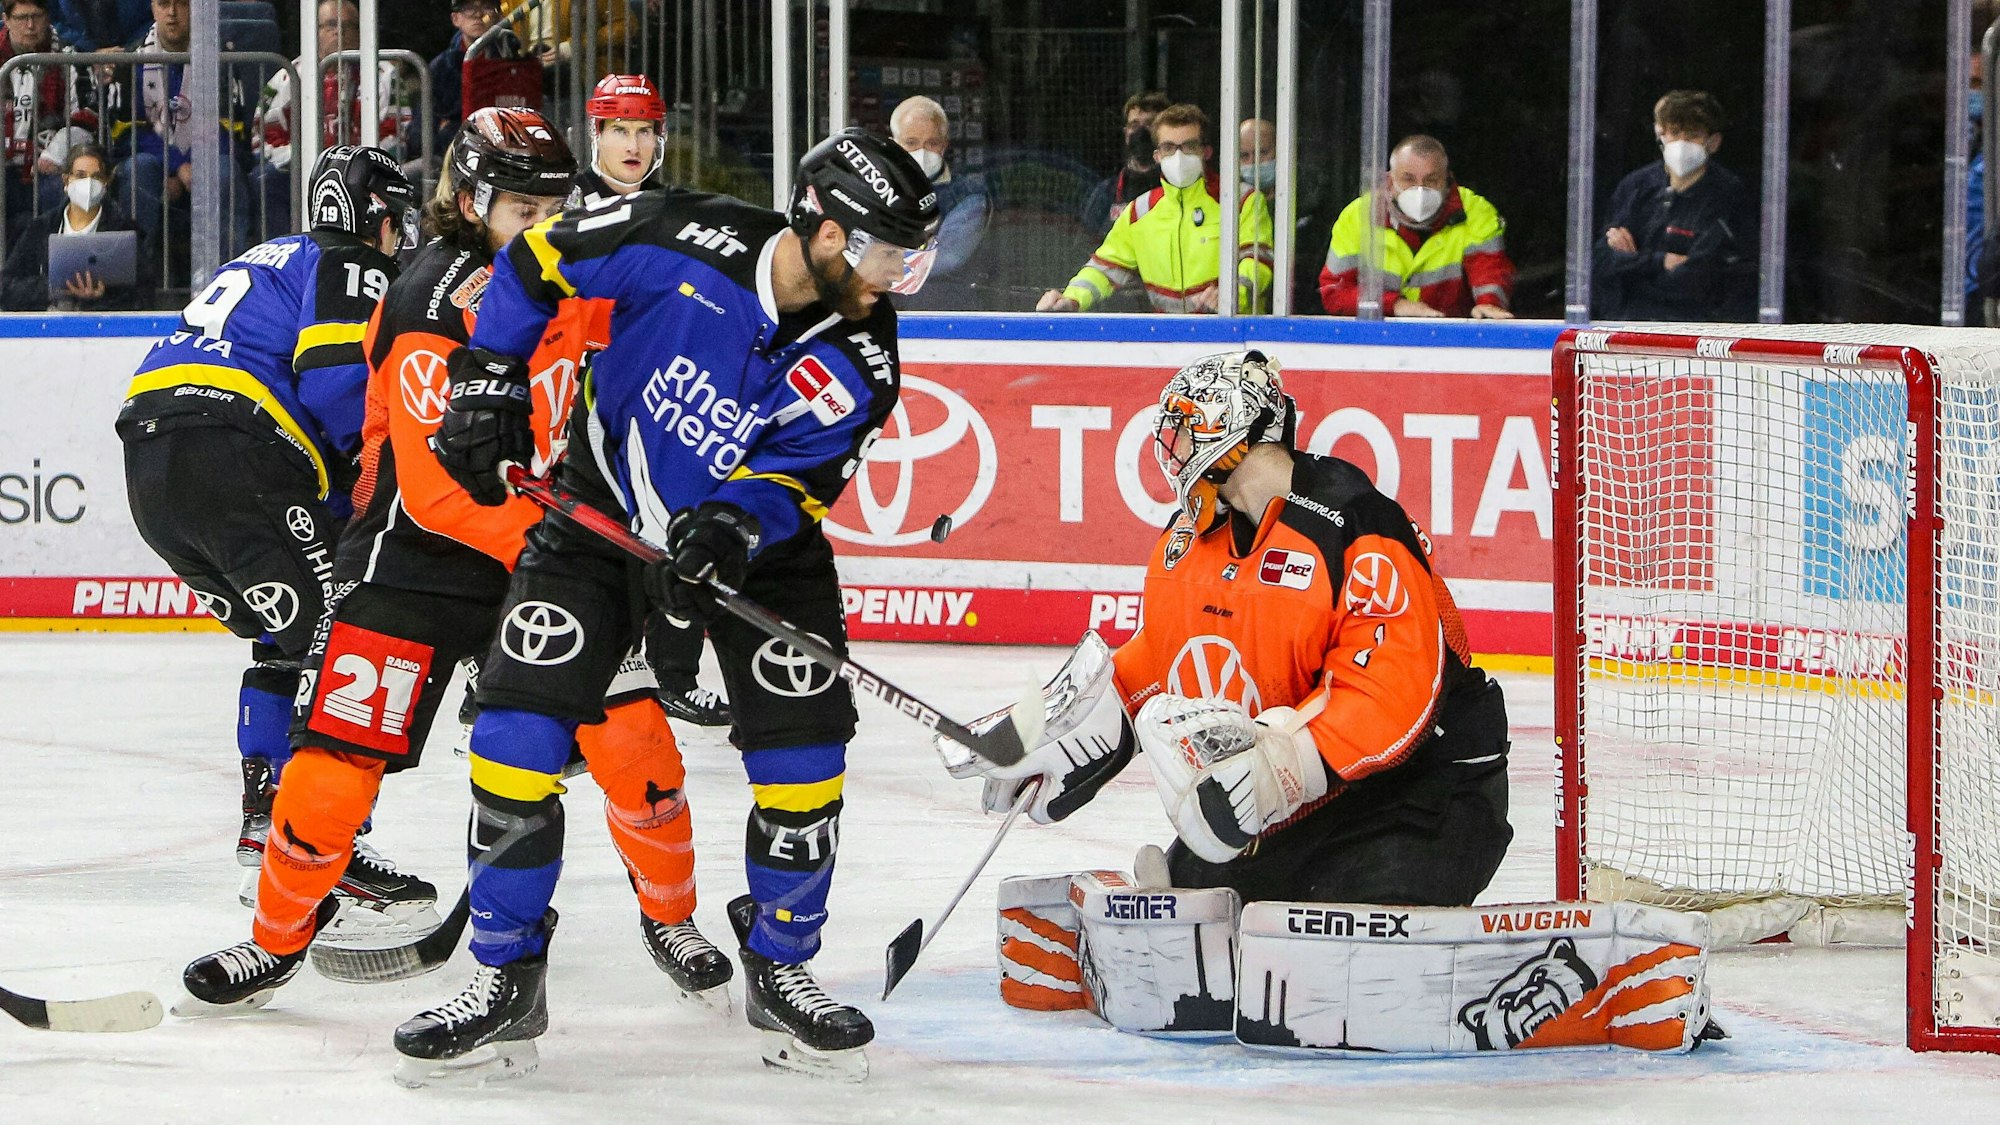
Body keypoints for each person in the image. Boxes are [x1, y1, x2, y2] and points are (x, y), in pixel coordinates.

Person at [389, 126, 939, 1084]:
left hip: (760, 556)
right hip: (598, 516)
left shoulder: (868, 351)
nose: (894, 274)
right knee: (514, 732)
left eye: (907, 255)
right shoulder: (675, 232)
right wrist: (489, 376)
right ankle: (504, 974)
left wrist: (732, 523)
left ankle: (782, 960)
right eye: (882, 250)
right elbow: (533, 261)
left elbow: (799, 475)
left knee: (804, 750)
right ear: (820, 225)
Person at [177, 108, 735, 1031]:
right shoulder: (428, 297)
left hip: (543, 550)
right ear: (471, 201)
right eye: (523, 205)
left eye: (554, 203)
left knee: (638, 750)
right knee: (332, 766)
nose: (544, 220)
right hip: (415, 561)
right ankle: (277, 939)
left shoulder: (561, 273)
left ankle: (672, 917)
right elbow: (440, 494)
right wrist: (580, 554)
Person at [961, 348, 1514, 907]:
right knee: (1198, 904)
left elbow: (1391, 689)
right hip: (1305, 802)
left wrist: (1284, 765)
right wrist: (1059, 726)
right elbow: (1160, 656)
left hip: (1421, 790)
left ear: (1234, 433)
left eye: (1184, 429)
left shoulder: (1356, 524)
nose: (1169, 449)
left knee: (1337, 933)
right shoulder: (1192, 540)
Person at [116, 145, 422, 912]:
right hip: (237, 452)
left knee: (285, 638)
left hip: (153, 468)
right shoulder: (353, 261)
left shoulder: (266, 253)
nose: (399, 238)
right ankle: (328, 841)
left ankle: (266, 819)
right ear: (374, 217)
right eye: (396, 221)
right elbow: (341, 390)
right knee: (346, 639)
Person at [563, 72, 733, 727]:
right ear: (596, 135)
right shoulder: (564, 209)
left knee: (674, 529)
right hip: (579, 399)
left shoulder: (672, 212)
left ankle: (672, 675)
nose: (633, 144)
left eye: (644, 130)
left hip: (659, 397)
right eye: (619, 130)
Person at [1038, 103, 1274, 315]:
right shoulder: (1140, 211)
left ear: (1206, 151)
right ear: (1157, 155)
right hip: (1166, 342)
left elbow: (1258, 260)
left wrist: (1234, 293)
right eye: (1169, 147)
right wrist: (1071, 299)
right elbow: (1104, 269)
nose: (1179, 156)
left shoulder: (1241, 201)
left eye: (1189, 146)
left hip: (1231, 336)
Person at [107, 0, 255, 271]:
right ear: (152, 8)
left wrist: (196, 165)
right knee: (139, 169)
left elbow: (230, 129)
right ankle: (140, 279)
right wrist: (176, 166)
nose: (172, 13)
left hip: (208, 162)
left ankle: (228, 279)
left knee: (222, 171)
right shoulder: (131, 60)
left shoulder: (221, 59)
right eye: (164, 4)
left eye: (182, 4)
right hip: (154, 167)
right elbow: (127, 133)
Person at [1593, 89, 1756, 322]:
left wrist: (1633, 263)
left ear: (1714, 142)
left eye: (1693, 135)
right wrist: (1661, 261)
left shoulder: (1728, 195)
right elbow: (1602, 261)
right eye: (1674, 133)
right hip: (1627, 326)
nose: (1681, 143)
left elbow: (1703, 278)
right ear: (1660, 134)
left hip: (1694, 333)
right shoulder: (1636, 187)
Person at [250, 0, 411, 234]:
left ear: (360, 31)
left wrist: (358, 165)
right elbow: (263, 137)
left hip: (367, 177)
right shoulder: (289, 77)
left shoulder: (385, 75)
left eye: (348, 25)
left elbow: (396, 133)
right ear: (314, 31)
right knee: (265, 181)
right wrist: (308, 163)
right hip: (302, 176)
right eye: (330, 25)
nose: (339, 31)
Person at [1319, 134, 1514, 318]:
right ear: (1390, 180)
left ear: (1447, 180)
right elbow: (1334, 291)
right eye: (1408, 179)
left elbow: (1490, 271)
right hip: (1377, 341)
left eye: (1431, 180)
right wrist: (1395, 305)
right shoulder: (1358, 216)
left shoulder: (1475, 211)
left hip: (1449, 340)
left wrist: (1489, 304)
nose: (1420, 190)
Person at [0, 141, 153, 309]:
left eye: (96, 176)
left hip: (104, 331)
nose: (88, 183)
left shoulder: (125, 229)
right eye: (80, 175)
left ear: (107, 181)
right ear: (66, 180)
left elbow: (143, 296)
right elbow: (6, 287)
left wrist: (101, 298)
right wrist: (52, 288)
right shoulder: (41, 228)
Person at [2, 0, 98, 235]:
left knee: (66, 190)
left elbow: (87, 117)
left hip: (49, 168)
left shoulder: (70, 57)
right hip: (4, 169)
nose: (30, 25)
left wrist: (55, 153)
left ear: (48, 18)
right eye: (22, 18)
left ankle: (56, 269)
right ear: (6, 19)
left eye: (37, 16)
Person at [886, 93, 988, 310]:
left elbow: (946, 260)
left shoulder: (968, 196)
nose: (922, 152)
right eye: (911, 143)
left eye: (932, 143)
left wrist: (877, 262)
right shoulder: (878, 189)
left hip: (945, 317)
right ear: (894, 145)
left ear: (944, 145)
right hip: (885, 314)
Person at [1079, 91, 1168, 241]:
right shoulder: (1106, 192)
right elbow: (1086, 244)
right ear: (1126, 134)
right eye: (1134, 125)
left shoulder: (1177, 188)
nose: (1141, 132)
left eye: (1149, 124)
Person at [428, 0, 501, 161]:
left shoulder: (512, 60)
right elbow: (422, 131)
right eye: (468, 8)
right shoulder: (440, 67)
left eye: (486, 6)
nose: (477, 14)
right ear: (455, 19)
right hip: (449, 156)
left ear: (498, 15)